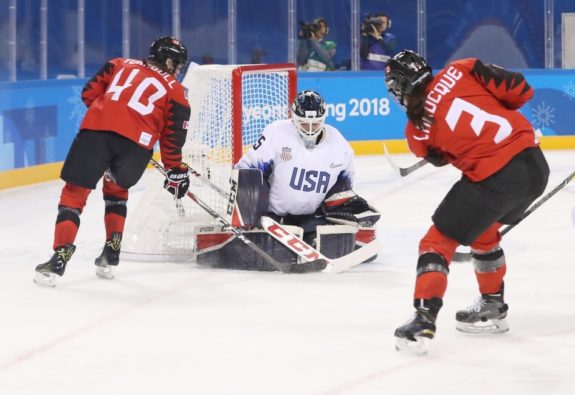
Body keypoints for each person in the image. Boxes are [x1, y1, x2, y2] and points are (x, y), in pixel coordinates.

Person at [385, 50, 549, 355]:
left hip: (496, 179)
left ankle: (423, 318)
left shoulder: (416, 131)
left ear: (400, 89)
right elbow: (521, 90)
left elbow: (438, 158)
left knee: (436, 242)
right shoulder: (464, 68)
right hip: (535, 167)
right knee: (484, 232)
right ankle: (492, 305)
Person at [34, 36, 192, 287]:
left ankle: (59, 258)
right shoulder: (177, 93)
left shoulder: (118, 64)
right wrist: (175, 170)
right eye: (178, 64)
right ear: (169, 60)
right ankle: (112, 252)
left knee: (73, 197)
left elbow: (89, 93)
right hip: (136, 148)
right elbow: (172, 140)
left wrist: (108, 116)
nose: (178, 69)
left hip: (95, 134)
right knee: (117, 191)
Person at [235, 90, 380, 250]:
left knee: (336, 244)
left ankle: (312, 238)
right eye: (304, 123)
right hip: (271, 217)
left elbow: (342, 188)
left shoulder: (340, 146)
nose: (310, 129)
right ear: (294, 118)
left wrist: (342, 207)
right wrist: (250, 213)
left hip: (311, 216)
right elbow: (247, 170)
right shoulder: (276, 133)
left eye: (315, 123)